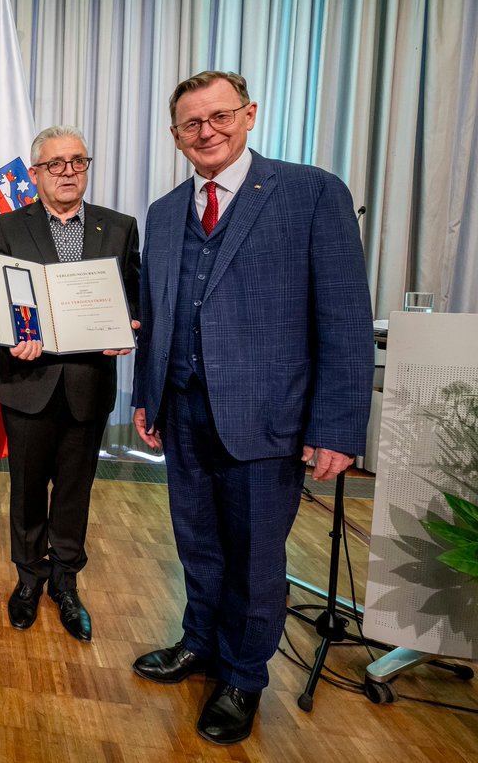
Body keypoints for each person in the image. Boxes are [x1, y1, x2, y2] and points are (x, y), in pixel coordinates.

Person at [131, 71, 372, 745]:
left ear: (249, 114)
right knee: (199, 544)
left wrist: (338, 425)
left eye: (219, 116)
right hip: (183, 413)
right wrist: (147, 396)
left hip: (268, 420)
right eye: (190, 123)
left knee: (257, 557)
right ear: (175, 135)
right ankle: (200, 641)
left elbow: (346, 318)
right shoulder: (164, 210)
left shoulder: (311, 193)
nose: (206, 131)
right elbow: (158, 313)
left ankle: (243, 676)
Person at [0, 125, 141, 642]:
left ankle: (66, 583)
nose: (68, 171)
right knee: (27, 490)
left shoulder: (119, 227)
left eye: (77, 161)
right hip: (28, 378)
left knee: (75, 492)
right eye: (56, 164)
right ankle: (28, 579)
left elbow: (134, 297)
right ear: (35, 174)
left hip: (88, 383)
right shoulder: (6, 226)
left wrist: (130, 326)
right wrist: (11, 337)